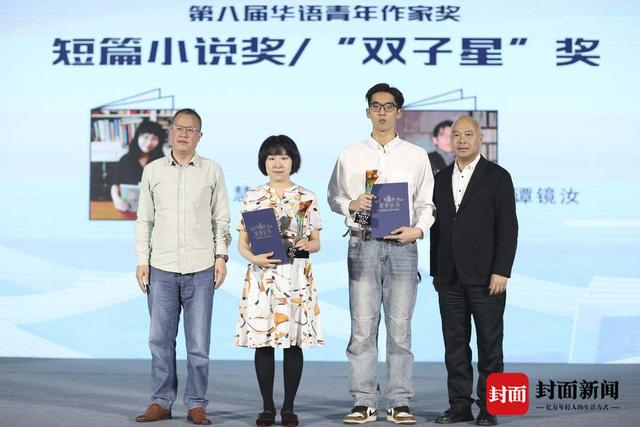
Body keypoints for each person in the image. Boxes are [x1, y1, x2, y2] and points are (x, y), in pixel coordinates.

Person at [327, 83, 434, 425]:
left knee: (400, 328)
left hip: (402, 246)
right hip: (363, 243)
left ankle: (399, 401)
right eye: (376, 106)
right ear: (367, 111)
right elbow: (333, 196)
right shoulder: (350, 154)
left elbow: (426, 203)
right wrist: (352, 204)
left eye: (389, 107)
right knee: (362, 327)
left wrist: (419, 230)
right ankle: (363, 401)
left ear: (399, 112)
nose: (382, 112)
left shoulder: (416, 155)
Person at [134, 108, 231, 425]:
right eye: (179, 128)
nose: (184, 134)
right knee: (159, 341)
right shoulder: (153, 170)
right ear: (170, 133)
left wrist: (221, 257)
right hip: (161, 267)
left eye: (191, 130)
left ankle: (197, 404)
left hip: (201, 267)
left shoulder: (212, 170)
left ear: (199, 136)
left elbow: (221, 218)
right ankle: (161, 401)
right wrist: (142, 260)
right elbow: (144, 220)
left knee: (199, 345)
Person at [430, 116, 518, 426]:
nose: (462, 140)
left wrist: (501, 271)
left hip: (487, 278)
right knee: (454, 347)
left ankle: (491, 408)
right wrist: (436, 271)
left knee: (490, 346)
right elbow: (437, 229)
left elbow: (508, 228)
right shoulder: (440, 178)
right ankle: (459, 407)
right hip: (449, 278)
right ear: (449, 141)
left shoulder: (498, 176)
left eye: (469, 134)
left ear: (480, 138)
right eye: (456, 135)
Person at [235, 135, 324, 427]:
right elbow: (242, 243)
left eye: (284, 157)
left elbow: (316, 242)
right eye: (271, 157)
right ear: (264, 162)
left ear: (292, 161)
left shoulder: (306, 196)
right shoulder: (253, 196)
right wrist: (254, 258)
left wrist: (309, 244)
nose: (277, 163)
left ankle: (288, 408)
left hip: (296, 276)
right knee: (263, 343)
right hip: (263, 277)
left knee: (293, 343)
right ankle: (267, 408)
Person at [111, 120, 166, 212]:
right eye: (146, 137)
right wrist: (117, 200)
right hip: (128, 208)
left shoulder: (162, 162)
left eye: (154, 139)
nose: (149, 143)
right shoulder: (126, 159)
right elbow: (115, 184)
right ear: (138, 137)